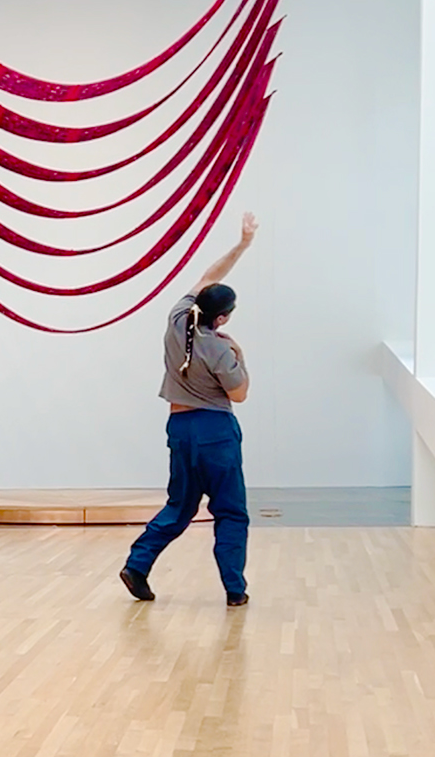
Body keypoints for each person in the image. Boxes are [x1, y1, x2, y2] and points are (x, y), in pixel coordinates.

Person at [120, 213, 257, 607]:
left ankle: (137, 565)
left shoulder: (178, 318)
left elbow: (208, 275)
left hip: (180, 428)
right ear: (222, 318)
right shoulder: (219, 348)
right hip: (216, 431)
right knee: (231, 512)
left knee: (180, 506)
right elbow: (241, 393)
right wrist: (241, 356)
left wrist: (241, 246)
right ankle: (234, 588)